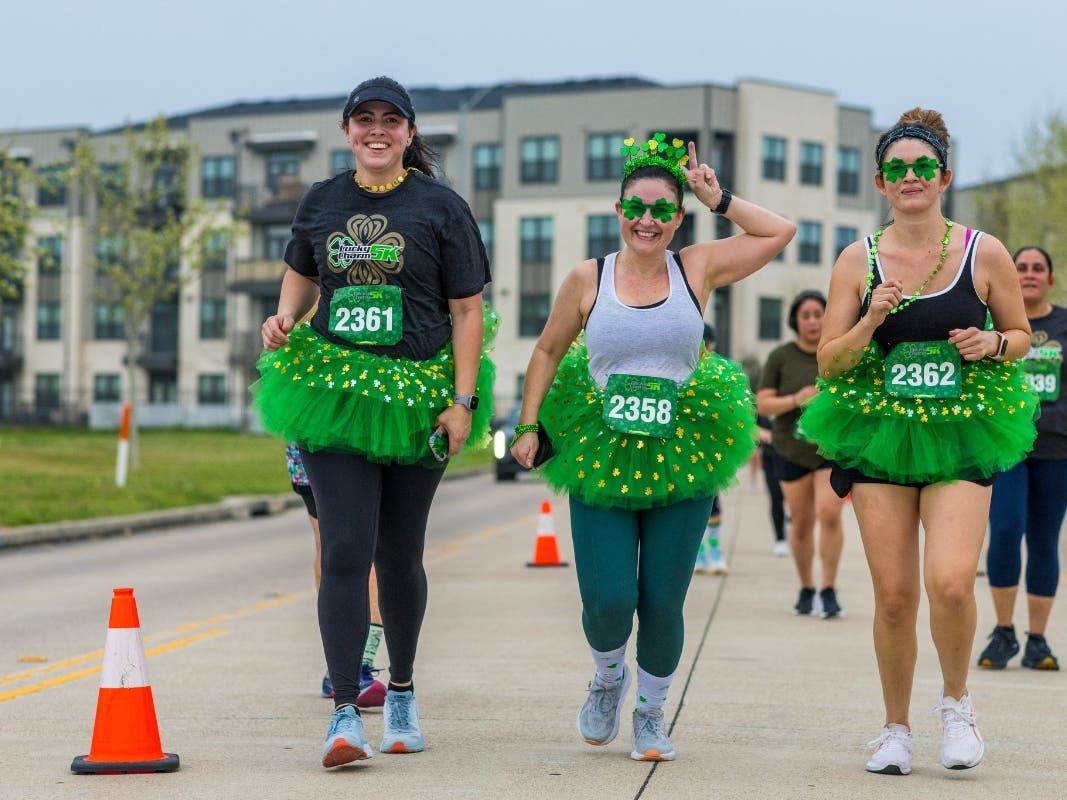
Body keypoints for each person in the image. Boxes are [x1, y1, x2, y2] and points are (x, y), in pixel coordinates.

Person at [511, 132, 795, 761]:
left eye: (663, 209)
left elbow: (780, 231)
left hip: (683, 448)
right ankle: (608, 677)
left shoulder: (697, 266)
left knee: (663, 600)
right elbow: (549, 350)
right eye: (636, 208)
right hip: (601, 448)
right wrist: (529, 424)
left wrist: (718, 200)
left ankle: (650, 712)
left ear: (678, 216)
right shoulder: (588, 277)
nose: (648, 220)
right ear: (618, 211)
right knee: (610, 597)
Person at [254, 76, 495, 768]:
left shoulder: (441, 207)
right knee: (343, 550)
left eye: (392, 120)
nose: (378, 130)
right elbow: (301, 275)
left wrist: (462, 402)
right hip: (336, 394)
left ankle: (402, 692)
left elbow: (467, 310)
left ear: (410, 133)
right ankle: (342, 713)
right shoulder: (322, 200)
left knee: (398, 555)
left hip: (419, 396)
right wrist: (284, 317)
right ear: (347, 131)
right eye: (365, 119)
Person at [799, 108, 1038, 776]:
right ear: (880, 181)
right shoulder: (857, 259)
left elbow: (1021, 337)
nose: (911, 177)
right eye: (897, 169)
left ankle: (957, 706)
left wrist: (991, 342)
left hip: (961, 430)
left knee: (952, 584)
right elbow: (829, 363)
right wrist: (870, 318)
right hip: (881, 433)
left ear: (944, 177)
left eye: (923, 167)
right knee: (895, 595)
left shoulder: (983, 252)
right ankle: (895, 729)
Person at [979, 245, 1067, 671]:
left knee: (1045, 540)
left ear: (1050, 279)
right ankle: (1003, 632)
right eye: (1021, 268)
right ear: (1010, 278)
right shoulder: (993, 325)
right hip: (1007, 448)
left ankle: (1037, 640)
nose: (1029, 274)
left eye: (1037, 268)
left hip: (1057, 448)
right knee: (1006, 530)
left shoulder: (1064, 324)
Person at [756, 291, 845, 617]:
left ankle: (829, 589)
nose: (812, 321)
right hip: (790, 449)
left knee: (829, 513)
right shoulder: (781, 356)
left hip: (829, 449)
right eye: (805, 315)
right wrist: (797, 399)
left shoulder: (836, 354)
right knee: (802, 522)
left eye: (818, 314)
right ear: (794, 320)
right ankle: (807, 588)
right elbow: (763, 404)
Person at [286, 444, 387, 705]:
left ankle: (353, 665)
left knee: (353, 545)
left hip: (363, 436)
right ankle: (347, 665)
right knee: (336, 546)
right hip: (317, 439)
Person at [694, 324, 728, 575]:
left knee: (712, 501)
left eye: (706, 343)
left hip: (709, 448)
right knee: (685, 501)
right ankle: (695, 552)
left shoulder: (719, 372)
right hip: (680, 449)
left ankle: (714, 549)